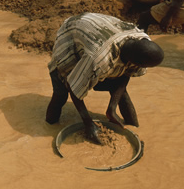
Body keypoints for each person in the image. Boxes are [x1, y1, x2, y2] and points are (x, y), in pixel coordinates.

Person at [45, 13, 164, 145]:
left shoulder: (142, 40)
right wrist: (88, 123)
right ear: (137, 62)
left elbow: (126, 74)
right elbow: (73, 87)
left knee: (121, 93)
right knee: (61, 93)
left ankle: (133, 128)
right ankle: (49, 127)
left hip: (100, 31)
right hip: (72, 33)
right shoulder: (98, 58)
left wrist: (112, 108)